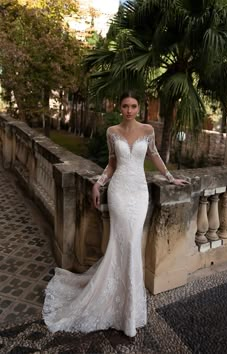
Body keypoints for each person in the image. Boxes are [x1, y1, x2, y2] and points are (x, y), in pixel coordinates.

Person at [43, 91, 189, 337]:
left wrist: (171, 178)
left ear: (138, 108)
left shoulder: (148, 131)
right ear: (120, 107)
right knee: (125, 243)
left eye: (133, 106)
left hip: (140, 193)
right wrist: (98, 184)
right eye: (125, 106)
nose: (129, 110)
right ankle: (121, 307)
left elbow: (154, 155)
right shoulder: (112, 132)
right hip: (119, 191)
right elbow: (112, 164)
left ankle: (128, 308)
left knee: (132, 243)